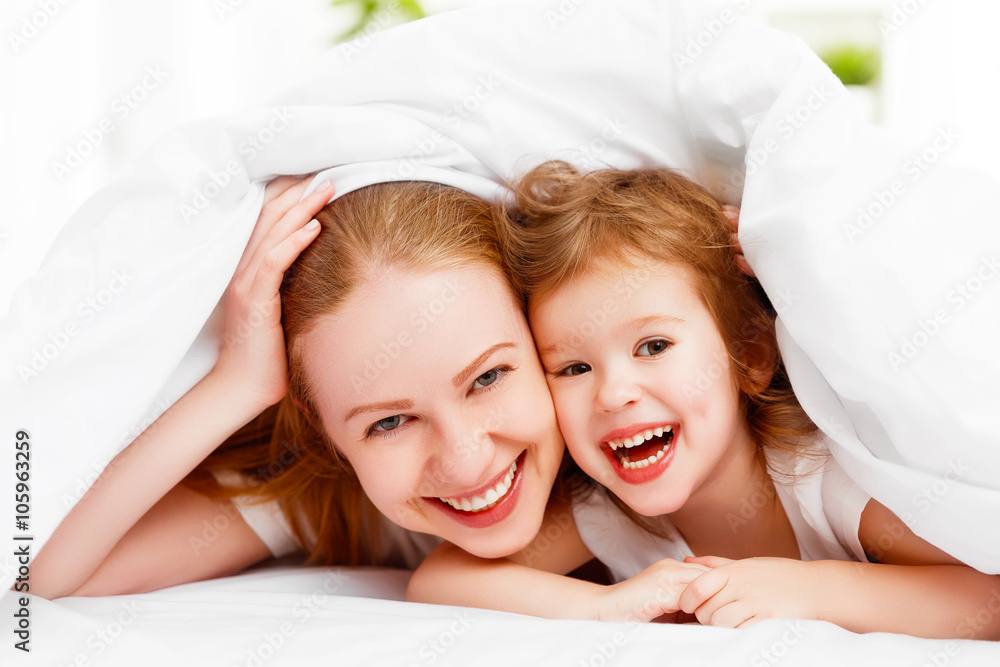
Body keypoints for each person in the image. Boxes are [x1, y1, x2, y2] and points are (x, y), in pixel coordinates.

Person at [406, 162, 1000, 640]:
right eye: (574, 367)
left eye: (654, 344)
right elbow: (440, 580)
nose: (613, 392)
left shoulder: (825, 484)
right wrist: (606, 606)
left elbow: (989, 598)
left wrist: (810, 589)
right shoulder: (614, 515)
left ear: (751, 356)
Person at [29, 174, 564, 599]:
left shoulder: (633, 407)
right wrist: (236, 386)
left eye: (488, 377)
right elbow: (41, 573)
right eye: (389, 422)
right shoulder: (329, 499)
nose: (467, 462)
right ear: (324, 430)